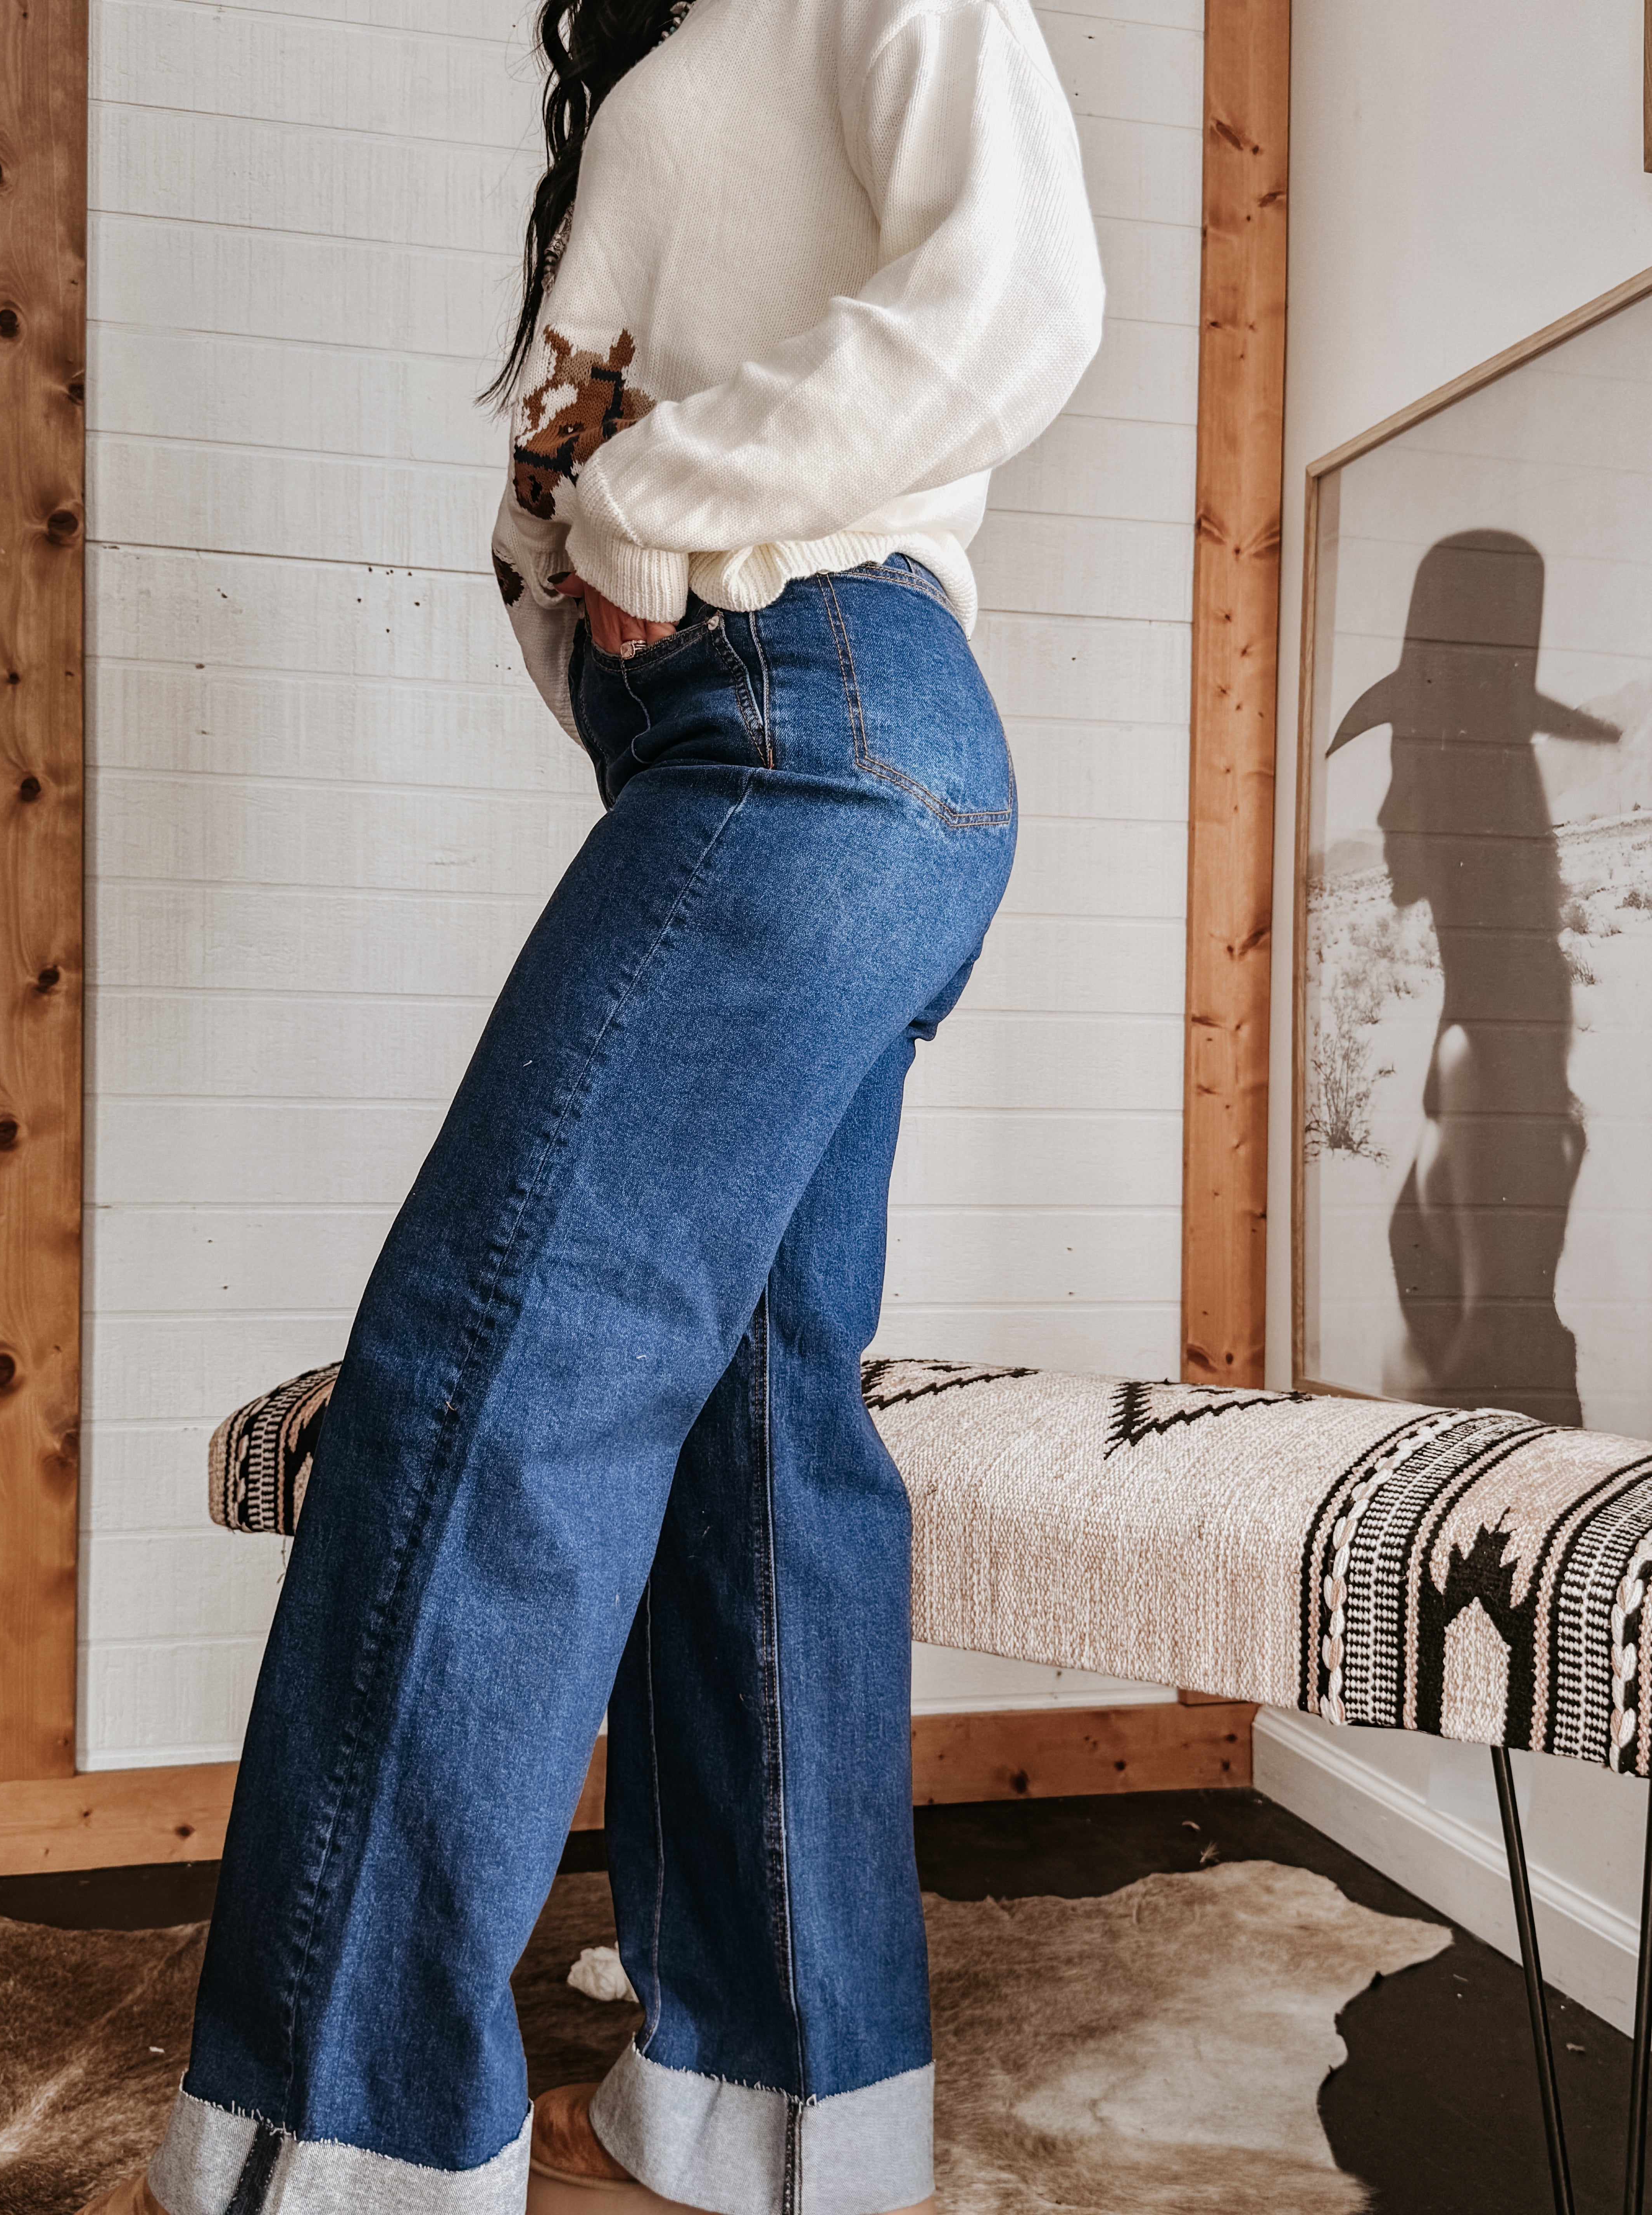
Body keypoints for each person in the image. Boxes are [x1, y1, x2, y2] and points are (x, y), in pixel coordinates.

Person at [83, 0, 1102, 2208]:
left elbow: (1017, 287)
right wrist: (589, 565)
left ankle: (326, 2144)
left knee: (489, 1370)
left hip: (806, 719)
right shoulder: (684, 55)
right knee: (754, 1420)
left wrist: (648, 506)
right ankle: (781, 2107)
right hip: (813, 750)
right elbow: (592, 496)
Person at [1326, 530, 1617, 1428]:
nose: (1382, 808)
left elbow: (1501, 1389)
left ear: (1467, 796)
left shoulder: (1482, 1056)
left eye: (1408, 767)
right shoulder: (1488, 1032)